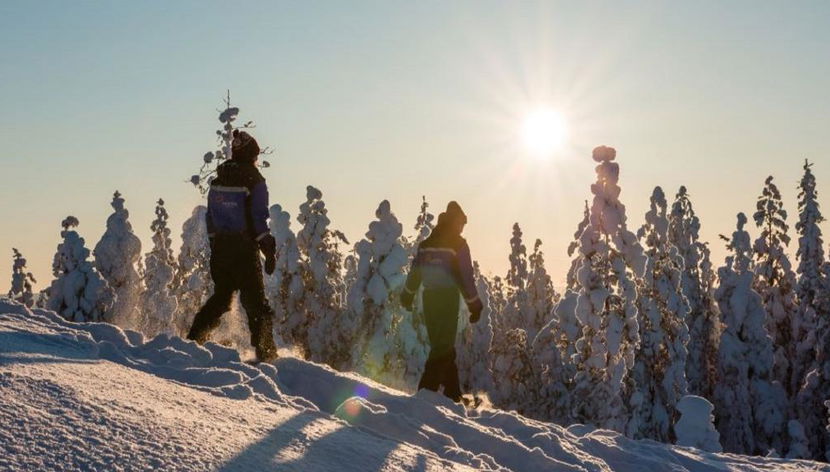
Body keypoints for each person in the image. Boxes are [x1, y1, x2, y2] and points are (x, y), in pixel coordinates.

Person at [187, 129, 279, 363]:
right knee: (256, 305)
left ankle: (193, 340)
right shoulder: (255, 181)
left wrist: (216, 244)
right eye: (255, 156)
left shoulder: (218, 181)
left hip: (221, 250)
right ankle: (267, 355)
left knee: (221, 298)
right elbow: (258, 218)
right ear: (250, 155)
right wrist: (268, 248)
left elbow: (211, 218)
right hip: (244, 250)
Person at [401, 201, 483, 402]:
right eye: (462, 224)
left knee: (442, 345)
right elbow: (466, 277)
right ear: (456, 222)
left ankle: (453, 395)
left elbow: (415, 274)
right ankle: (424, 395)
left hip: (429, 300)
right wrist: (475, 305)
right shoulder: (458, 245)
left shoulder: (426, 245)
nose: (463, 228)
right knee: (442, 348)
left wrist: (408, 295)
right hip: (447, 299)